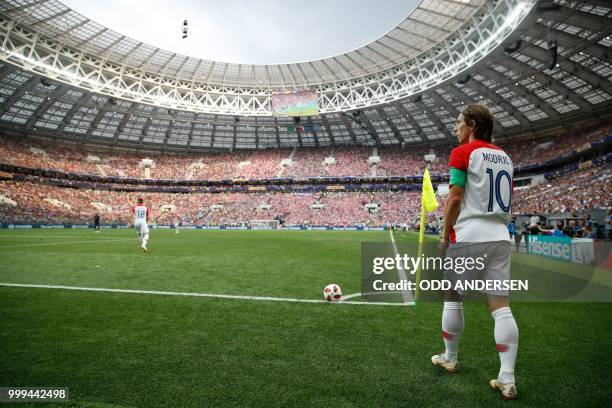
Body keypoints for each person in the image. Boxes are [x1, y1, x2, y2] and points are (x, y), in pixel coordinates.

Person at [432, 104, 518, 400]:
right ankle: (507, 378)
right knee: (501, 307)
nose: (456, 128)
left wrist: (444, 237)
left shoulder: (462, 153)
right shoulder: (505, 157)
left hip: (470, 234)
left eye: (459, 123)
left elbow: (454, 200)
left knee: (454, 299)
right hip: (500, 235)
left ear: (471, 125)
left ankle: (450, 356)